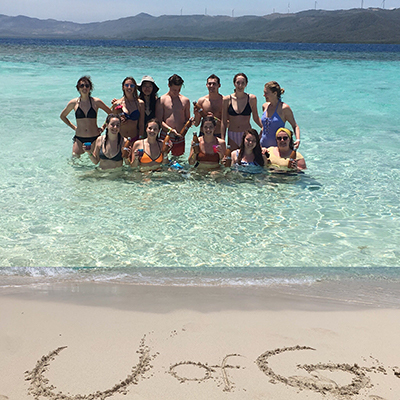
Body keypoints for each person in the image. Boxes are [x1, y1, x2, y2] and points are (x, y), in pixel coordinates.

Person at [60, 76, 112, 157]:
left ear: (90, 88)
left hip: (95, 137)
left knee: (97, 160)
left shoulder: (96, 102)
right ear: (78, 88)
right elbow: (62, 116)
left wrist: (103, 127)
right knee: (75, 158)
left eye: (87, 86)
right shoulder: (74, 103)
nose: (84, 88)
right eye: (82, 86)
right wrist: (74, 127)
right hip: (79, 138)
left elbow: (111, 114)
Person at [221, 72, 262, 151]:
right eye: (238, 83)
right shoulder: (227, 99)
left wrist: (264, 128)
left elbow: (256, 118)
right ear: (234, 84)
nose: (240, 85)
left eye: (243, 83)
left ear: (246, 84)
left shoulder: (251, 98)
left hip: (247, 135)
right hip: (232, 134)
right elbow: (224, 121)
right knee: (233, 161)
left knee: (248, 160)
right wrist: (222, 139)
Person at [156, 74, 191, 157]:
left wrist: (187, 126)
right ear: (169, 85)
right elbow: (159, 121)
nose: (176, 92)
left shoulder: (185, 100)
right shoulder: (162, 100)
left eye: (179, 89)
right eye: (174, 89)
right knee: (163, 159)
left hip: (180, 136)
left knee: (179, 161)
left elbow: (187, 119)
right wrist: (170, 130)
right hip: (166, 135)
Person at [260, 81, 300, 149]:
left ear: (275, 93)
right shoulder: (265, 106)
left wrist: (298, 139)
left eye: (266, 93)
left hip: (279, 148)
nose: (264, 95)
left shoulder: (284, 108)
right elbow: (264, 127)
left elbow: (295, 125)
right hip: (263, 147)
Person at [112, 77, 145, 142]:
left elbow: (141, 124)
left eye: (132, 85)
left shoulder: (140, 103)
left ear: (135, 87)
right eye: (126, 85)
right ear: (123, 87)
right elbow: (112, 123)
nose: (129, 87)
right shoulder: (117, 104)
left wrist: (140, 139)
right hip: (120, 139)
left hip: (135, 138)